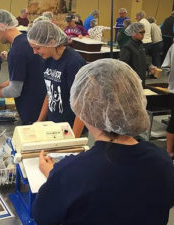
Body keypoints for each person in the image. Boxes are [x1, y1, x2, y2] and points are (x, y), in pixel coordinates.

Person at [33, 58, 174, 225]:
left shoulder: (70, 172)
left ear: (83, 106)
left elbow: (42, 215)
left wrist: (53, 176)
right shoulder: (163, 161)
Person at [0, 9, 46, 125]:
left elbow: (14, 90)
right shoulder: (25, 40)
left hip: (32, 109)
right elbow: (20, 78)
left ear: (1, 26)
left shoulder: (17, 50)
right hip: (39, 102)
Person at [28, 20, 86, 136]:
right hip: (54, 125)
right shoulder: (47, 59)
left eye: (38, 48)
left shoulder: (73, 62)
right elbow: (49, 92)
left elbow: (83, 105)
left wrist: (73, 139)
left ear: (51, 42)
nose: (35, 52)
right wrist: (39, 122)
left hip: (72, 127)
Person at [119, 22, 156, 86]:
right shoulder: (127, 47)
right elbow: (123, 66)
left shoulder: (141, 44)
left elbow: (143, 58)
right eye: (141, 32)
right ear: (133, 33)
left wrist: (149, 66)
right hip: (132, 81)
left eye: (144, 32)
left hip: (141, 78)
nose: (143, 34)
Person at [162, 43, 174, 158]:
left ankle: (169, 152)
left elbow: (165, 68)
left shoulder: (173, 46)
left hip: (172, 90)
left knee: (173, 121)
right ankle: (169, 151)